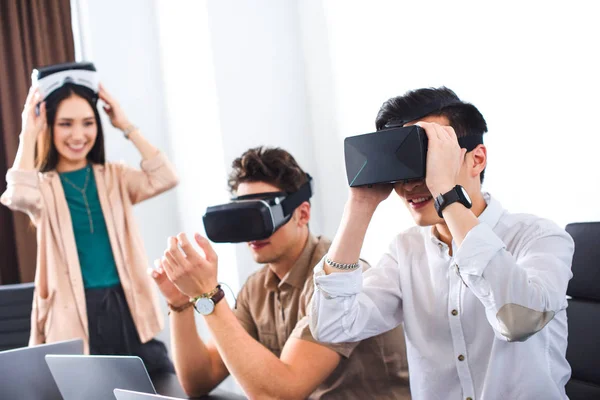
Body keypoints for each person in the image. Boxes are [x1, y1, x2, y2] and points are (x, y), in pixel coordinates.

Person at [308, 87, 574, 400]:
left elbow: (518, 321)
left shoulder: (540, 237)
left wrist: (446, 193)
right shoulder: (406, 250)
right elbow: (333, 327)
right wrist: (360, 204)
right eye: (402, 163)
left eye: (427, 158)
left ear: (476, 159)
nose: (409, 183)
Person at [151, 147, 411, 399]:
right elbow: (199, 380)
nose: (253, 232)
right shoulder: (257, 287)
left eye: (261, 216)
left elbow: (281, 392)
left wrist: (209, 295)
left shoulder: (341, 280)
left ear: (302, 213)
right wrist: (181, 302)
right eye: (244, 217)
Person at [1, 65, 178, 376]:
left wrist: (125, 124)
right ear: (49, 127)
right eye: (66, 124)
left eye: (87, 123)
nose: (78, 135)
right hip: (74, 311)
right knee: (85, 389)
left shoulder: (115, 177)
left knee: (158, 382)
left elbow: (165, 177)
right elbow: (17, 195)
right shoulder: (43, 187)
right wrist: (28, 132)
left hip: (127, 303)